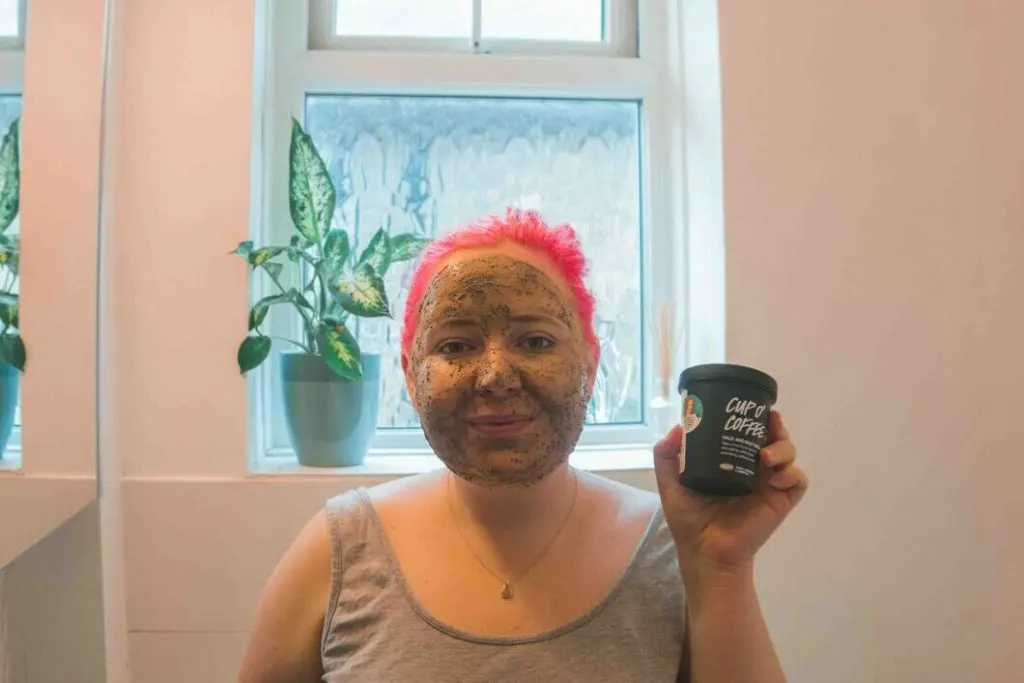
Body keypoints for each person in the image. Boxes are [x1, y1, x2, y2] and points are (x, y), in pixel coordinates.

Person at [238, 209, 808, 683]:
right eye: (456, 345)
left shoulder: (677, 552)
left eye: (535, 340)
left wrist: (722, 567)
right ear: (410, 376)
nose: (494, 376)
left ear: (590, 363)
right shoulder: (337, 552)